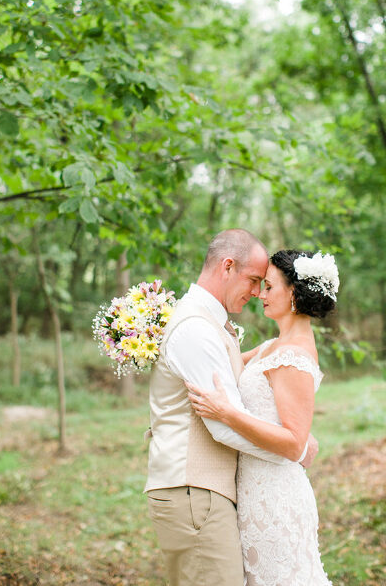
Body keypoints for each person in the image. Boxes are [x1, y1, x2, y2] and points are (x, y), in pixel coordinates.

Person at [144, 231, 318, 586]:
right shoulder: (196, 329)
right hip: (194, 491)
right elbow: (222, 426)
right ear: (227, 266)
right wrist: (291, 449)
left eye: (266, 285)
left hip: (212, 493)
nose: (257, 293)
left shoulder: (214, 326)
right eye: (255, 281)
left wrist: (291, 435)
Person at [187, 249, 338, 586]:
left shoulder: (293, 357)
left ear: (295, 294)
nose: (260, 294)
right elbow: (220, 363)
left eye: (269, 287)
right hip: (253, 489)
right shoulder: (273, 346)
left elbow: (294, 443)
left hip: (276, 499)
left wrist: (226, 413)